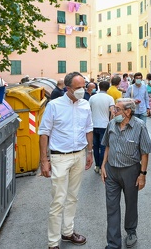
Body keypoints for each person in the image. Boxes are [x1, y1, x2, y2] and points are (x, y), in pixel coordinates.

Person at [38, 71, 93, 249]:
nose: (82, 90)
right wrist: (44, 161)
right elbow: (44, 133)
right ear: (68, 88)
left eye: (84, 86)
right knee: (58, 200)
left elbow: (88, 129)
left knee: (73, 197)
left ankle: (68, 232)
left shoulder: (85, 105)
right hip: (59, 157)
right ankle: (53, 242)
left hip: (79, 155)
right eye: (78, 88)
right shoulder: (54, 105)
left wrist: (90, 152)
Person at [101, 98, 151, 249]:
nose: (114, 111)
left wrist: (142, 174)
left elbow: (145, 153)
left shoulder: (140, 126)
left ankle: (131, 231)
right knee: (111, 207)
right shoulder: (112, 123)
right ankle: (113, 243)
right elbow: (107, 146)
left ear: (128, 111)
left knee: (131, 203)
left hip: (131, 171)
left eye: (117, 109)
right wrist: (104, 165)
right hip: (111, 171)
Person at [89, 80, 115, 174]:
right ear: (108, 88)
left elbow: (89, 111)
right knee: (103, 146)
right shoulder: (109, 98)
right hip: (104, 125)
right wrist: (111, 122)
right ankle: (102, 167)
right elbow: (112, 112)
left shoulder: (92, 98)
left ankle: (97, 165)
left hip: (93, 125)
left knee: (95, 146)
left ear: (99, 87)